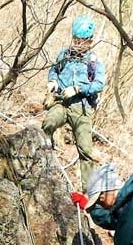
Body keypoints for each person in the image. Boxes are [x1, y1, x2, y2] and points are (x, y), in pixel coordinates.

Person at [42, 16, 106, 183]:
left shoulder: (94, 62)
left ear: (89, 42)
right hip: (62, 102)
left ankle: (88, 190)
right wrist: (52, 81)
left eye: (81, 41)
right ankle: (45, 162)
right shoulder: (64, 55)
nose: (77, 44)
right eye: (75, 40)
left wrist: (78, 89)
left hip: (82, 107)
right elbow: (54, 70)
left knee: (85, 149)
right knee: (48, 123)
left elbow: (99, 84)